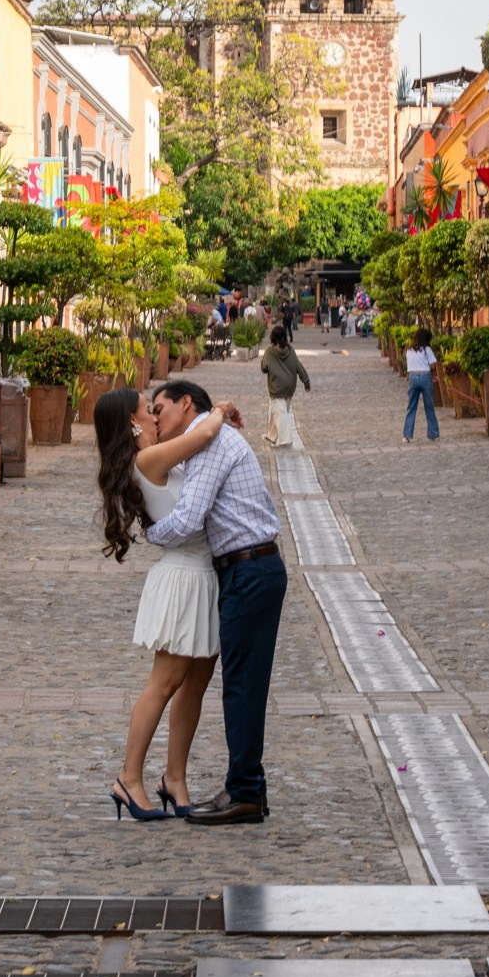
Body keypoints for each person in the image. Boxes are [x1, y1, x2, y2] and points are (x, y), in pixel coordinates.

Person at [142, 379, 282, 826]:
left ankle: (246, 792)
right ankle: (247, 786)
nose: (156, 419)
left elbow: (188, 518)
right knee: (242, 683)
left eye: (160, 409)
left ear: (186, 404)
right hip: (246, 569)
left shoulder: (210, 442)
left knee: (242, 686)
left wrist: (150, 534)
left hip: (249, 569)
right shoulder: (204, 436)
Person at [92, 387, 228, 820]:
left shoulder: (153, 457)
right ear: (133, 423)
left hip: (201, 574)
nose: (155, 417)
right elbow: (202, 434)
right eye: (147, 411)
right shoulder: (148, 459)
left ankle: (175, 778)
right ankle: (128, 778)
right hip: (183, 577)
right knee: (164, 683)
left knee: (195, 684)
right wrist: (219, 410)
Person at [260, 322, 312, 449]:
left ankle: (285, 439)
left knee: (280, 414)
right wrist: (306, 382)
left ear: (272, 338)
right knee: (280, 413)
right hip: (289, 386)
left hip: (276, 387)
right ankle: (272, 436)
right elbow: (299, 367)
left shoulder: (270, 351)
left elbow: (264, 368)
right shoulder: (290, 350)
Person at [403, 328, 440, 442]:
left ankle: (407, 435)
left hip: (413, 376)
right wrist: (434, 375)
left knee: (411, 406)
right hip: (425, 376)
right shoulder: (427, 349)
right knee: (429, 406)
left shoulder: (409, 350)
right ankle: (433, 434)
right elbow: (433, 365)